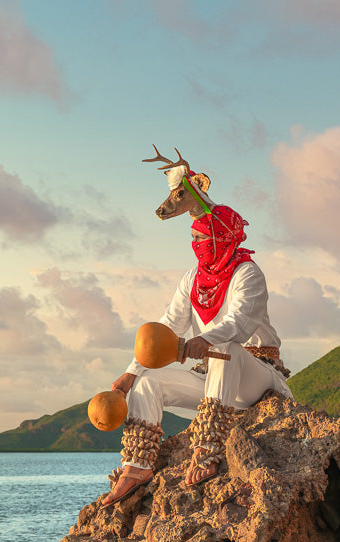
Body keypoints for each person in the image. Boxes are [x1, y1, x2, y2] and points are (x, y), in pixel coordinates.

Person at [102, 164, 293, 506]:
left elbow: (239, 324)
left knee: (226, 347)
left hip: (258, 383)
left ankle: (207, 448)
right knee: (149, 385)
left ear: (223, 238)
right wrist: (132, 372)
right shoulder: (192, 278)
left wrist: (204, 341)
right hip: (213, 383)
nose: (198, 244)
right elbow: (168, 325)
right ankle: (137, 465)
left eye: (204, 238)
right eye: (194, 238)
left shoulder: (248, 273)